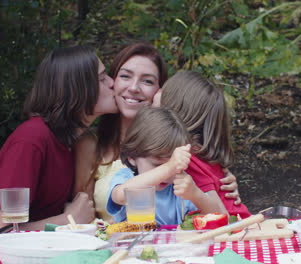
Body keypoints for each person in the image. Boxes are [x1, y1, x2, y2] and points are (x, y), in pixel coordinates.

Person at [74, 42, 241, 221]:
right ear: (112, 81)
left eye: (147, 81)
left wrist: (217, 183)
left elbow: (216, 208)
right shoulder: (91, 146)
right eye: (125, 76)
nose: (134, 88)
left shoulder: (180, 152)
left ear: (159, 91)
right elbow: (81, 213)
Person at [0, 45, 118, 231]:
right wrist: (67, 220)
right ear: (76, 89)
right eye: (102, 78)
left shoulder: (72, 142)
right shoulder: (32, 139)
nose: (112, 82)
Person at [107, 107, 227, 225]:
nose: (167, 175)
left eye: (174, 164)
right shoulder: (125, 177)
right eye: (157, 165)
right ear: (132, 157)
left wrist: (196, 194)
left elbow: (219, 217)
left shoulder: (179, 187)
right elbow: (120, 196)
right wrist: (169, 167)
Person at [157, 71, 251, 218]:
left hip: (233, 232)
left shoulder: (187, 158)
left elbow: (222, 214)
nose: (158, 91)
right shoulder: (197, 152)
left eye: (163, 91)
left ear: (172, 107)